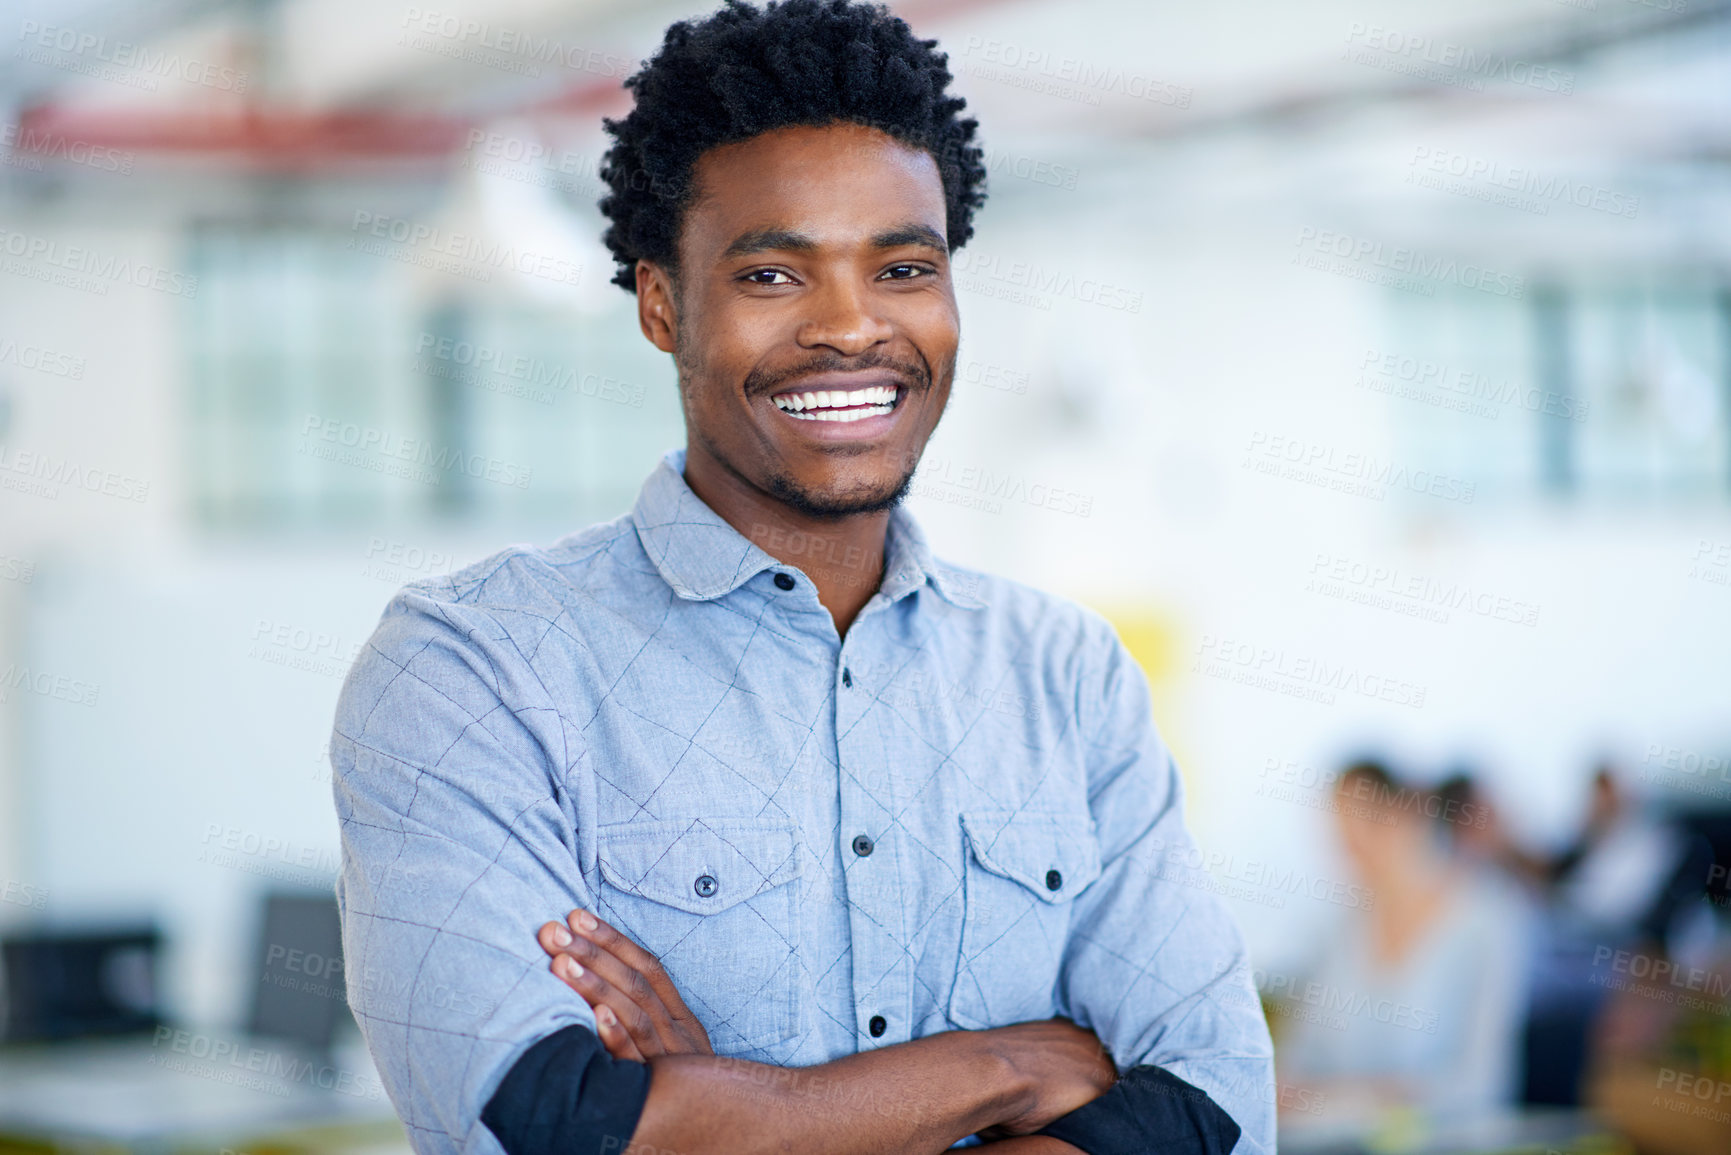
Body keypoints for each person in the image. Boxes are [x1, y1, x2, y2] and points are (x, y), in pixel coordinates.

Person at [330, 3, 1273, 1153]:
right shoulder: (474, 669)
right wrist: (1009, 1064)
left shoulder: (1063, 676)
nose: (850, 327)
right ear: (663, 304)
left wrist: (748, 1116)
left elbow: (1214, 1100)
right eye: (775, 274)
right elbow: (554, 1123)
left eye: (905, 267)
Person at [1276, 761, 1526, 1126]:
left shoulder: (1487, 921)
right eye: (1343, 835)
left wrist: (1352, 1101)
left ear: (1407, 814)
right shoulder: (1339, 929)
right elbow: (1296, 1061)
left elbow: (1481, 1084)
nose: (1352, 852)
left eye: (1367, 827)